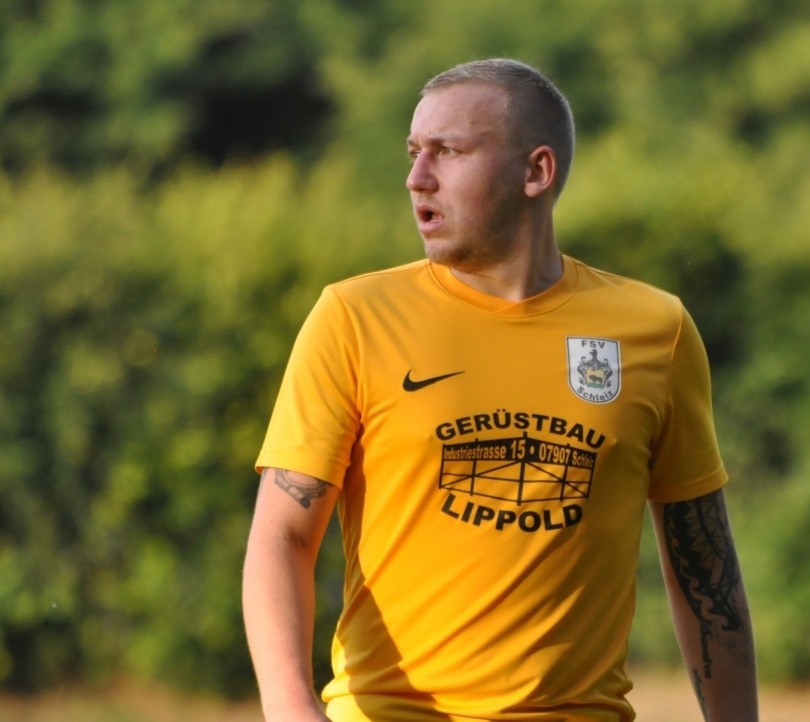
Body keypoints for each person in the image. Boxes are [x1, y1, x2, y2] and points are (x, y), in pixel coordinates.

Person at [243, 58, 758, 722]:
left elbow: (704, 570)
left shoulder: (656, 330)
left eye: (448, 151)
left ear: (535, 172)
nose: (416, 177)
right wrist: (291, 708)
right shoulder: (354, 317)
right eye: (413, 152)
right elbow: (282, 536)